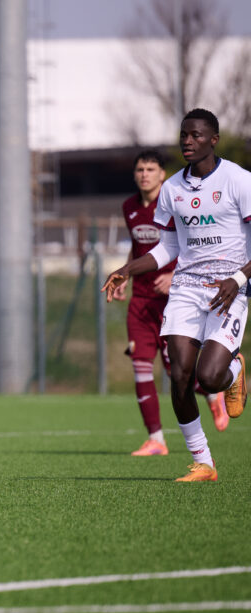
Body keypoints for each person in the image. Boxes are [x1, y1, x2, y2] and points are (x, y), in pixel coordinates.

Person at [103, 108, 250, 482]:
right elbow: (166, 248)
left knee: (210, 375)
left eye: (196, 135)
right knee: (181, 376)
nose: (187, 141)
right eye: (183, 135)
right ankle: (204, 462)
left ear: (213, 140)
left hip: (229, 288)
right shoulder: (172, 189)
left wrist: (237, 278)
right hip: (186, 288)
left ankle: (233, 372)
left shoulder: (238, 180)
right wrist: (126, 270)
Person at [115, 149, 229, 457]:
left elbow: (193, 244)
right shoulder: (129, 207)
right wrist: (125, 275)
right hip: (140, 302)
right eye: (140, 169)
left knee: (178, 372)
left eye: (151, 169)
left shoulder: (175, 201)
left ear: (162, 174)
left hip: (173, 300)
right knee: (141, 367)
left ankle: (213, 394)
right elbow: (139, 250)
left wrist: (174, 276)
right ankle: (156, 439)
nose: (144, 174)